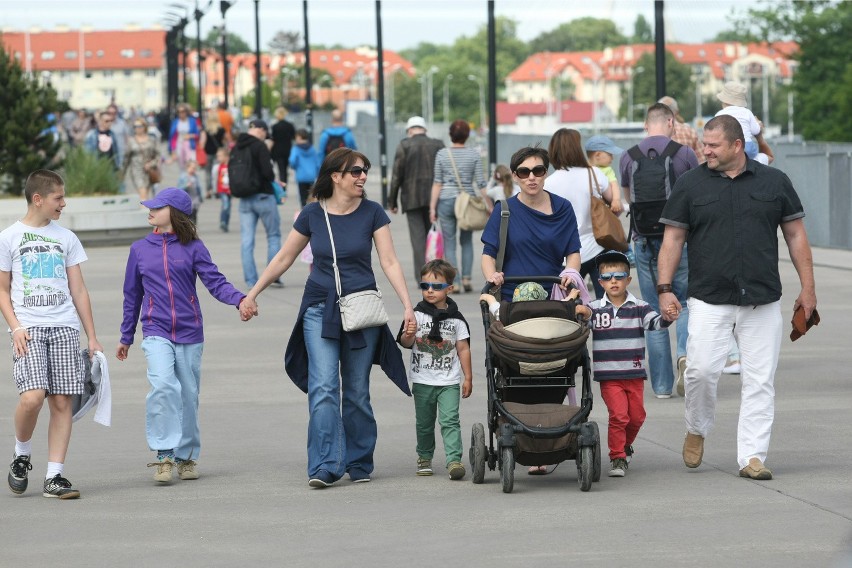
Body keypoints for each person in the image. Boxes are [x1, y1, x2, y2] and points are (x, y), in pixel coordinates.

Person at [239, 148, 415, 489]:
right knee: (322, 387)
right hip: (319, 308)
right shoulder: (312, 214)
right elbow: (285, 257)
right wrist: (253, 293)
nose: (363, 176)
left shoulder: (373, 213)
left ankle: (359, 460)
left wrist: (407, 306)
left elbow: (389, 261)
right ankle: (324, 464)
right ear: (336, 176)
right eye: (355, 172)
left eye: (365, 170)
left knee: (357, 392)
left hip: (361, 312)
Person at [656, 114, 817, 481]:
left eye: (712, 145)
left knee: (760, 380)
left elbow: (795, 235)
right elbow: (673, 240)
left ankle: (752, 457)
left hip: (762, 300)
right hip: (709, 298)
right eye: (704, 143)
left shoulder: (775, 182)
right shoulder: (689, 184)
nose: (705, 150)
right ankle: (697, 427)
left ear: (736, 145)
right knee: (699, 372)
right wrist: (665, 289)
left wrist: (808, 288)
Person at [117, 188, 247, 484]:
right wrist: (126, 336)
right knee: (163, 386)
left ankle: (185, 456)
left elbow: (216, 282)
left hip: (190, 332)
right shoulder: (139, 249)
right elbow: (131, 296)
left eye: (156, 207)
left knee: (188, 395)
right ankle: (164, 455)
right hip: (155, 330)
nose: (149, 210)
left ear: (173, 213)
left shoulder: (194, 248)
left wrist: (240, 299)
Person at [2, 170, 103, 499]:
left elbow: (79, 289)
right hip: (28, 329)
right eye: (58, 197)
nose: (64, 203)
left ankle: (54, 476)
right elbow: (2, 290)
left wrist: (91, 336)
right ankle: (21, 453)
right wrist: (15, 326)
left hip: (64, 328)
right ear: (38, 199)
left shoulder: (67, 238)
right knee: (32, 398)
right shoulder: (10, 237)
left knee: (62, 401)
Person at [619, 103, 699, 399]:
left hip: (643, 240)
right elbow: (697, 193)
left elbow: (628, 199)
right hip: (679, 239)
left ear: (645, 124)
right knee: (686, 301)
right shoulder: (685, 154)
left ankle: (663, 386)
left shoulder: (628, 156)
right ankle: (684, 355)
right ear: (670, 121)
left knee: (654, 310)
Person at [574, 250, 673, 478]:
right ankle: (617, 457)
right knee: (619, 416)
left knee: (637, 417)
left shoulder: (639, 306)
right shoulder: (596, 308)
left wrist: (667, 316)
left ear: (628, 279)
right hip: (609, 376)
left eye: (619, 276)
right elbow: (583, 321)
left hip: (634, 373)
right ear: (600, 282)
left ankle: (626, 444)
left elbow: (656, 324)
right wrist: (579, 311)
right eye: (607, 278)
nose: (613, 281)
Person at [398, 259, 472, 480]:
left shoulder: (457, 320)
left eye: (436, 287)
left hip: (448, 381)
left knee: (450, 420)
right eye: (425, 286)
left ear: (449, 288)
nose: (430, 291)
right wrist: (409, 334)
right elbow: (405, 342)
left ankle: (454, 460)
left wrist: (468, 377)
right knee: (424, 423)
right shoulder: (417, 315)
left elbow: (463, 349)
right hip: (422, 380)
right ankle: (424, 457)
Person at [482, 146, 581, 302]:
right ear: (514, 176)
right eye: (524, 172)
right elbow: (488, 254)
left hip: (554, 295)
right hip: (511, 298)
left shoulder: (563, 207)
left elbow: (573, 251)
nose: (531, 177)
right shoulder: (503, 210)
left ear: (546, 173)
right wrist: (492, 276)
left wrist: (570, 273)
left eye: (538, 171)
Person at [545, 128, 622, 298]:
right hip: (597, 247)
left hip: (564, 257)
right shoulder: (594, 174)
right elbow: (616, 206)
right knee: (606, 305)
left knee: (569, 308)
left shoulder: (548, 184)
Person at [430, 119, 489, 292]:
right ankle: (467, 278)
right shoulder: (474, 155)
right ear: (467, 136)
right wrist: (489, 204)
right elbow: (481, 183)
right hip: (467, 202)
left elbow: (437, 183)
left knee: (449, 241)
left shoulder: (442, 154)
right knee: (466, 240)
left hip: (446, 200)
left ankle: (454, 282)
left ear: (450, 134)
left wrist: (432, 207)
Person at [389, 116, 445, 281]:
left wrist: (392, 201)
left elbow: (396, 175)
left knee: (418, 240)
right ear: (424, 130)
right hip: (435, 199)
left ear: (409, 130)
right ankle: (437, 274)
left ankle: (423, 276)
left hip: (411, 198)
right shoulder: (438, 145)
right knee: (434, 236)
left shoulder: (404, 145)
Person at [229, 119, 281, 288]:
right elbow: (268, 173)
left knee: (247, 241)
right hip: (263, 197)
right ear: (260, 130)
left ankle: (251, 280)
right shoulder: (260, 147)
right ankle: (272, 278)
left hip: (244, 199)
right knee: (273, 236)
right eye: (265, 132)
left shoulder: (236, 147)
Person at [715, 82, 774, 165]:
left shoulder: (719, 114)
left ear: (724, 101)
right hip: (748, 147)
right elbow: (756, 130)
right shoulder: (747, 112)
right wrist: (758, 125)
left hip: (728, 149)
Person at [122, 118, 160, 202]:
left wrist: (151, 164)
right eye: (135, 126)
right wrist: (123, 172)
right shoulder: (131, 141)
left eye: (139, 126)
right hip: (136, 170)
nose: (137, 128)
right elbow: (126, 157)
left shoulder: (151, 140)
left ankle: (146, 211)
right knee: (142, 191)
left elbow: (158, 156)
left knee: (145, 192)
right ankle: (145, 212)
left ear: (144, 127)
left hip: (149, 170)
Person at [658, 96, 704, 163]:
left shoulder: (653, 133)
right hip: (688, 172)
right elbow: (701, 160)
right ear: (676, 112)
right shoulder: (690, 132)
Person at [289, 128, 321, 208]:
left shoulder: (296, 149)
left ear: (299, 137)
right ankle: (311, 211)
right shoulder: (312, 149)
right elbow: (317, 163)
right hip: (311, 176)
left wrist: (295, 167)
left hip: (301, 176)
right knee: (311, 197)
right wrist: (317, 173)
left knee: (303, 198)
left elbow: (292, 161)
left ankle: (304, 211)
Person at [168, 103, 200, 171]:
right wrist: (173, 150)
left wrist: (190, 135)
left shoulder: (192, 121)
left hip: (190, 145)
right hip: (179, 145)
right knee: (181, 166)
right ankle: (183, 180)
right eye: (179, 112)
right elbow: (172, 138)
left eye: (183, 111)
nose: (181, 113)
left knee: (191, 165)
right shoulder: (175, 122)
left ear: (186, 112)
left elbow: (197, 134)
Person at [200, 111, 225, 198]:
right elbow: (223, 141)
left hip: (208, 154)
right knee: (218, 172)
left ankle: (208, 191)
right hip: (219, 154)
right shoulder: (221, 129)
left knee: (208, 172)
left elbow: (202, 143)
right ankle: (217, 191)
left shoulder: (206, 130)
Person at [271, 106, 296, 187]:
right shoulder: (290, 125)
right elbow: (293, 137)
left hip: (277, 151)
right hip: (287, 150)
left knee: (280, 169)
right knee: (285, 170)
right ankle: (285, 185)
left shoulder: (275, 126)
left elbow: (273, 138)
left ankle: (282, 186)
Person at [211, 147, 232, 232]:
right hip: (222, 190)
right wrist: (214, 189)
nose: (218, 158)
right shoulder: (218, 167)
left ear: (226, 157)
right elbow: (214, 178)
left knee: (228, 207)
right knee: (225, 205)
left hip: (230, 190)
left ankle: (226, 223)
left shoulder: (231, 166)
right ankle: (222, 222)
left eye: (219, 156)